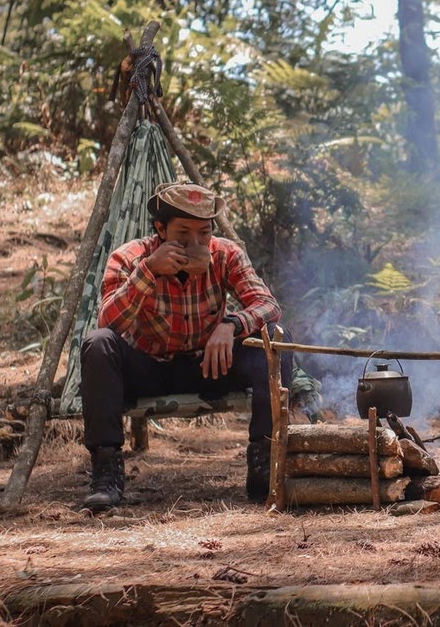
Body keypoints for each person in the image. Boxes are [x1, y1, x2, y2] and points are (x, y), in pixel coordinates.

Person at [80, 179, 288, 509]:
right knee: (98, 344)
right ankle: (107, 473)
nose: (195, 243)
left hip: (209, 363)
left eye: (203, 233)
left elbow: (267, 304)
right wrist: (148, 272)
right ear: (160, 230)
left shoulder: (224, 254)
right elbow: (109, 321)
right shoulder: (130, 258)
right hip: (149, 367)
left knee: (276, 338)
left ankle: (265, 464)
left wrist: (231, 325)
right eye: (182, 234)